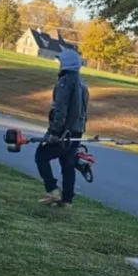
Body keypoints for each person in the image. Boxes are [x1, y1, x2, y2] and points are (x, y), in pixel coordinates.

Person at [36, 47, 89, 207]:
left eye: (61, 62)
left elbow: (61, 108)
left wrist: (54, 131)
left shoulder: (66, 82)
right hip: (77, 130)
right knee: (68, 163)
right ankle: (67, 200)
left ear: (67, 64)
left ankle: (53, 191)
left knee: (41, 156)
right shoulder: (81, 83)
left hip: (64, 131)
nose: (59, 65)